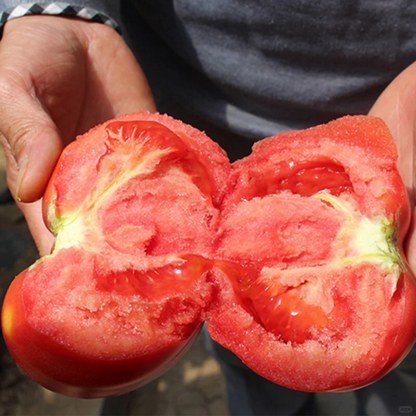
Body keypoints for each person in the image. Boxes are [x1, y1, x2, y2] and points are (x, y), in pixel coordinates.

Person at [0, 2, 415, 415]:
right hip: (180, 86)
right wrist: (60, 9)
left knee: (399, 379)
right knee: (255, 379)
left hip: (396, 100)